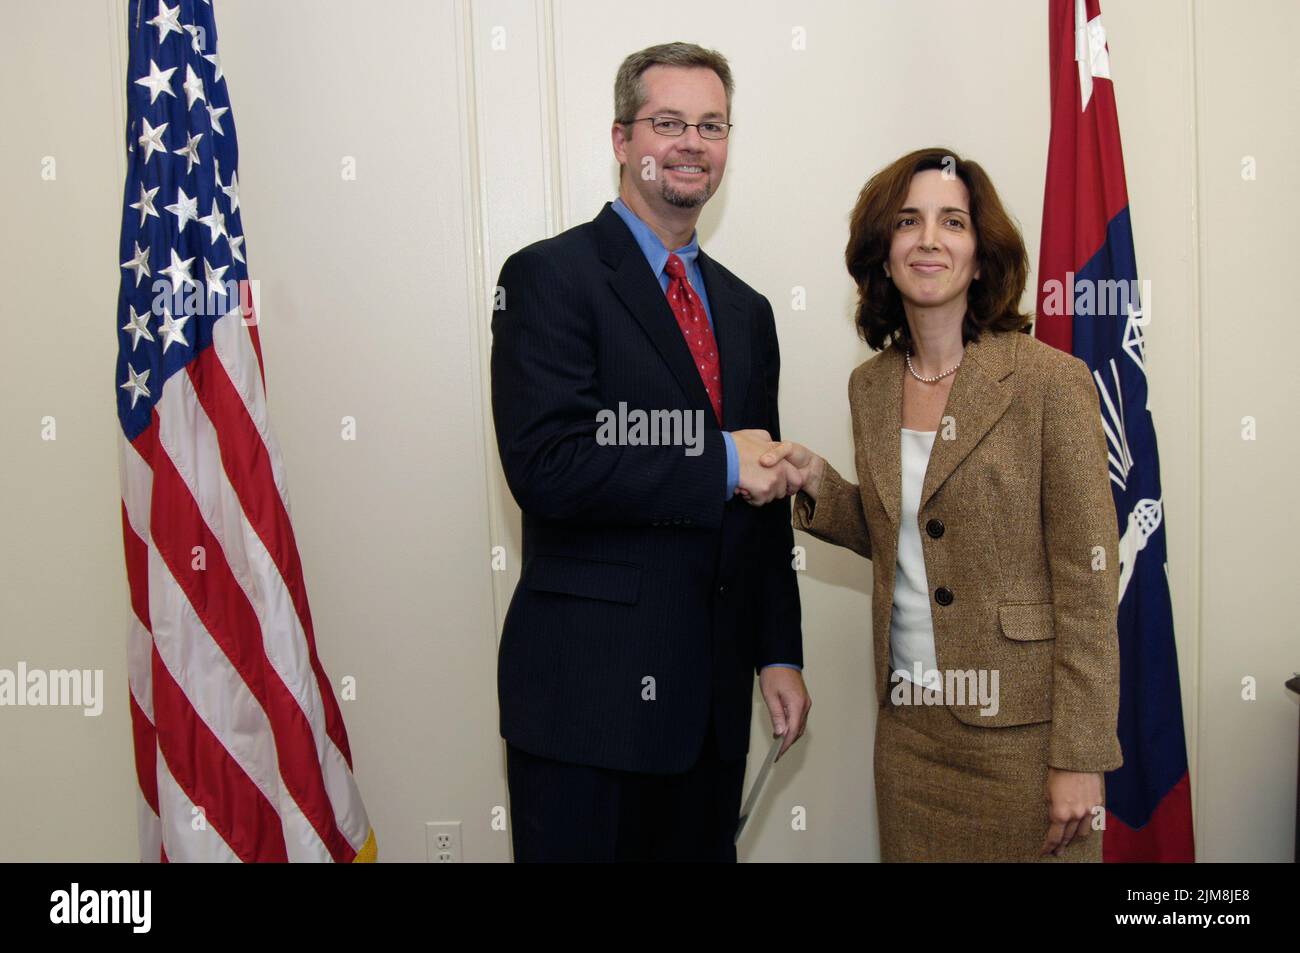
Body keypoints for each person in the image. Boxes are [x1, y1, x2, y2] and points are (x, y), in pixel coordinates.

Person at [489, 41, 811, 862]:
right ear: (622, 138)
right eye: (667, 122)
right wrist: (721, 464)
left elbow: (764, 494)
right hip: (585, 710)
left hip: (711, 709)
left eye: (711, 124)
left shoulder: (747, 312)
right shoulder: (548, 278)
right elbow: (548, 465)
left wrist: (778, 650)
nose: (691, 143)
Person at [765, 147, 1122, 861]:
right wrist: (818, 485)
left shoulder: (1051, 381)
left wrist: (1080, 754)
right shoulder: (870, 387)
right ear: (884, 252)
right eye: (908, 221)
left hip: (1023, 738)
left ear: (981, 255)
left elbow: (1090, 584)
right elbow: (914, 532)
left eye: (952, 221)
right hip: (910, 736)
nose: (929, 239)